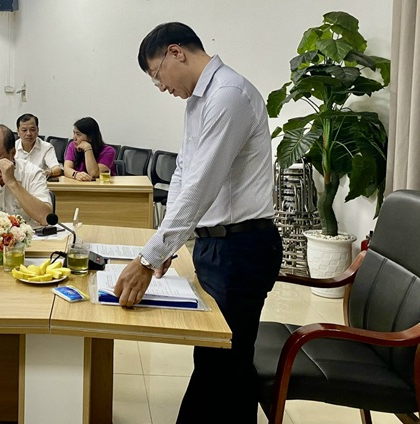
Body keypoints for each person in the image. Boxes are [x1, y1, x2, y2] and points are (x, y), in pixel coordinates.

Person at [114, 22, 282, 423]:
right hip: (216, 246)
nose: (161, 87)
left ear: (176, 52)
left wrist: (149, 258)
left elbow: (202, 186)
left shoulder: (228, 96)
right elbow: (182, 175)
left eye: (157, 75)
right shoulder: (198, 102)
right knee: (220, 361)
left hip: (242, 247)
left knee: (221, 365)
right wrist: (165, 246)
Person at [62, 117, 115, 181]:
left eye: (78, 134)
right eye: (74, 133)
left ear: (90, 137)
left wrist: (87, 148)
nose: (74, 138)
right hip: (79, 185)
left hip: (102, 186)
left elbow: (94, 174)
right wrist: (76, 174)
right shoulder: (73, 146)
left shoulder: (108, 151)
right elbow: (66, 169)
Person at [15, 113, 62, 178]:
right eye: (24, 130)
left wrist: (50, 172)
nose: (28, 134)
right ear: (18, 132)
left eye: (32, 130)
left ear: (37, 130)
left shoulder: (46, 147)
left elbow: (57, 169)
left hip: (39, 182)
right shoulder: (11, 147)